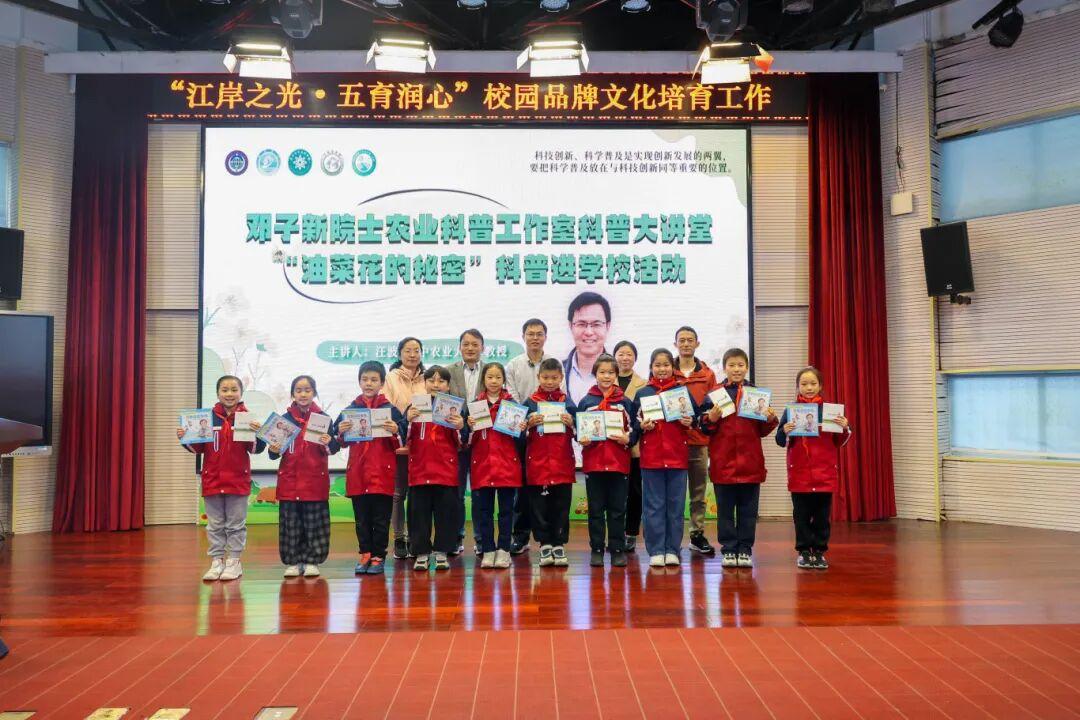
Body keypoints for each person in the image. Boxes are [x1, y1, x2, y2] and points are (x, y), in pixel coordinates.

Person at [177, 375, 264, 582]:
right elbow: (198, 449)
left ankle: (234, 562)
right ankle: (216, 561)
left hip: (237, 481)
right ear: (217, 393)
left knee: (235, 525)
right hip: (212, 481)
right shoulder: (206, 418)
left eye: (234, 389)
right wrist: (185, 438)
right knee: (215, 525)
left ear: (241, 393)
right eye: (225, 390)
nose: (229, 394)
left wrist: (257, 434)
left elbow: (256, 449)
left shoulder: (247, 418)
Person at [701, 349, 778, 569]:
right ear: (724, 368)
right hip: (723, 463)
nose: (736, 369)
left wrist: (770, 419)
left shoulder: (756, 394)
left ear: (747, 367)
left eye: (740, 365)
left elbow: (762, 431)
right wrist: (711, 418)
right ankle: (728, 550)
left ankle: (744, 550)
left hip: (751, 463)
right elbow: (704, 427)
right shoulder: (714, 394)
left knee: (748, 512)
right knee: (725, 512)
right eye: (732, 365)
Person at [335, 361, 407, 576]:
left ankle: (378, 556)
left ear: (382, 383)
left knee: (381, 519)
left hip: (382, 473)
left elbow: (402, 439)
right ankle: (365, 554)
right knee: (362, 520)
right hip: (358, 473)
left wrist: (396, 430)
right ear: (359, 382)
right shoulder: (351, 409)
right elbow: (338, 441)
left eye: (374, 380)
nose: (369, 383)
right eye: (365, 379)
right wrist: (341, 430)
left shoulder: (390, 410)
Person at [776, 366, 851, 570]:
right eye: (804, 384)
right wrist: (784, 430)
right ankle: (803, 552)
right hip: (799, 474)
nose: (809, 388)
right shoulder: (791, 411)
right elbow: (780, 441)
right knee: (800, 517)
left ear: (820, 386)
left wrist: (844, 427)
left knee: (821, 517)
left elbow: (839, 442)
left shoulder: (830, 411)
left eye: (813, 383)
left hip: (824, 473)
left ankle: (818, 552)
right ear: (797, 386)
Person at [269, 375, 340, 578]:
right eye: (298, 390)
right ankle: (292, 562)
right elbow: (273, 455)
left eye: (307, 390)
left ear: (314, 393)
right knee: (290, 524)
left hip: (314, 481)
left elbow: (334, 448)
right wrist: (274, 448)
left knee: (314, 524)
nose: (303, 394)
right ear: (293, 394)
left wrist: (328, 441)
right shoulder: (283, 420)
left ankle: (312, 561)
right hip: (289, 481)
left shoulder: (323, 418)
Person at [634, 349, 697, 568]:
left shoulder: (682, 392)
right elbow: (633, 425)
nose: (662, 369)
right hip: (651, 459)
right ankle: (656, 550)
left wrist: (690, 421)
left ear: (673, 367)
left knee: (675, 506)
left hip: (677, 458)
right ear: (651, 367)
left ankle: (672, 549)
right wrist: (641, 426)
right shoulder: (643, 393)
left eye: (666, 365)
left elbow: (696, 418)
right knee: (653, 506)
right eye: (657, 365)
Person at [575, 354, 639, 568]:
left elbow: (635, 429)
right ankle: (597, 549)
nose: (606, 376)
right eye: (602, 372)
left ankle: (617, 549)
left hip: (618, 464)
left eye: (611, 372)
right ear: (595, 374)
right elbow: (578, 430)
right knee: (595, 510)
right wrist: (581, 438)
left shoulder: (624, 402)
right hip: (593, 464)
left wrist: (628, 439)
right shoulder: (586, 402)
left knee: (617, 510)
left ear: (616, 375)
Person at [405, 365, 465, 571]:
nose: (436, 385)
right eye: (431, 380)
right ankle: (421, 552)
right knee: (418, 515)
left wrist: (460, 427)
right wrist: (408, 421)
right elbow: (404, 438)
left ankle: (442, 551)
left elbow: (463, 442)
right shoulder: (414, 406)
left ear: (448, 385)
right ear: (425, 383)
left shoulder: (455, 408)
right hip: (419, 471)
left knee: (446, 515)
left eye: (441, 381)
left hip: (445, 471)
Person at [467, 362, 523, 569]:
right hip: (482, 465)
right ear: (483, 379)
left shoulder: (512, 405)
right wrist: (469, 427)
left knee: (506, 511)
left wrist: (522, 428)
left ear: (504, 380)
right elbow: (466, 439)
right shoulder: (475, 405)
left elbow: (520, 440)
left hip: (507, 465)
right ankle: (488, 550)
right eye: (490, 377)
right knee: (484, 511)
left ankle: (504, 550)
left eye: (498, 377)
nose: (494, 381)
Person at [522, 358, 578, 568]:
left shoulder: (568, 402)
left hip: (562, 463)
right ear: (538, 377)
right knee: (539, 507)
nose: (549, 381)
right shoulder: (530, 402)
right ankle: (544, 544)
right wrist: (528, 424)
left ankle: (559, 544)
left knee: (561, 506)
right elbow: (516, 431)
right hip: (537, 465)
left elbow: (582, 431)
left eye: (554, 378)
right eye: (545, 377)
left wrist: (572, 423)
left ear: (561, 378)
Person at [672, 326, 718, 557]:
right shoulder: (666, 370)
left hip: (699, 442)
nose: (686, 344)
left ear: (697, 344)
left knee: (698, 493)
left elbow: (713, 407)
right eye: (682, 340)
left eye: (690, 340)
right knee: (674, 494)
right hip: (672, 443)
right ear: (675, 344)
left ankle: (697, 535)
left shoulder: (708, 375)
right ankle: (672, 539)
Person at [384, 336, 427, 561]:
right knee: (398, 493)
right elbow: (386, 407)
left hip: (423, 445)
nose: (412, 354)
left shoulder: (428, 378)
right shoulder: (390, 377)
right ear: (400, 353)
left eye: (416, 350)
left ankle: (415, 538)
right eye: (408, 350)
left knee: (419, 494)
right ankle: (399, 538)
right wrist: (403, 422)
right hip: (399, 445)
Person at [448, 328, 486, 556]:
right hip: (456, 441)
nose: (470, 348)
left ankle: (481, 539)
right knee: (458, 493)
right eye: (466, 344)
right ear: (460, 347)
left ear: (483, 347)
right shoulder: (448, 371)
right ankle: (457, 537)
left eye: (475, 344)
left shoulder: (490, 371)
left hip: (482, 440)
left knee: (480, 493)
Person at [614, 340, 647, 552]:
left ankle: (631, 533)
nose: (625, 358)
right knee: (616, 493)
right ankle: (615, 533)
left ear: (635, 358)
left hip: (635, 448)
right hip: (613, 447)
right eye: (621, 354)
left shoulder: (644, 385)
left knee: (635, 492)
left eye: (629, 354)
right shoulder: (606, 381)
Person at [563, 291, 612, 405]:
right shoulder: (556, 371)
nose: (589, 332)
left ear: (607, 326)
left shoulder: (621, 373)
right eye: (581, 324)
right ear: (570, 326)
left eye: (596, 324)